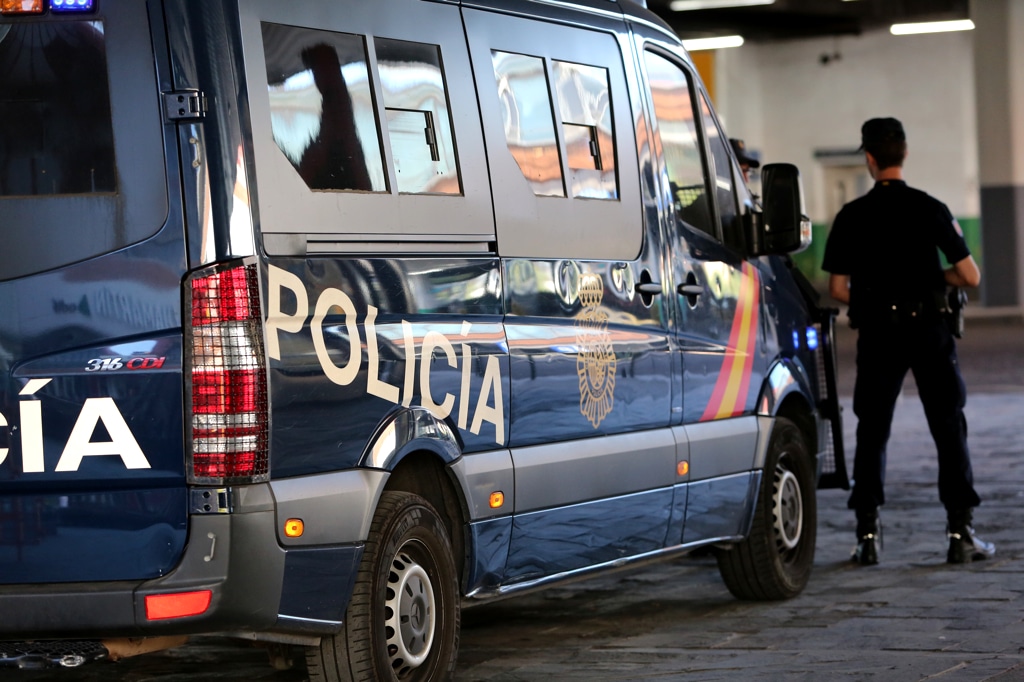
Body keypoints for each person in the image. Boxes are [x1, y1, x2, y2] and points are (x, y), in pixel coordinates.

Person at [822, 117, 995, 566]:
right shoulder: (930, 207)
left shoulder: (851, 215)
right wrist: (928, 278)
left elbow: (839, 290)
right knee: (947, 427)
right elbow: (970, 276)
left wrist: (878, 290)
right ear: (904, 154)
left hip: (879, 333)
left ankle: (867, 537)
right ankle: (961, 534)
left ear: (870, 158)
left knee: (873, 431)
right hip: (930, 331)